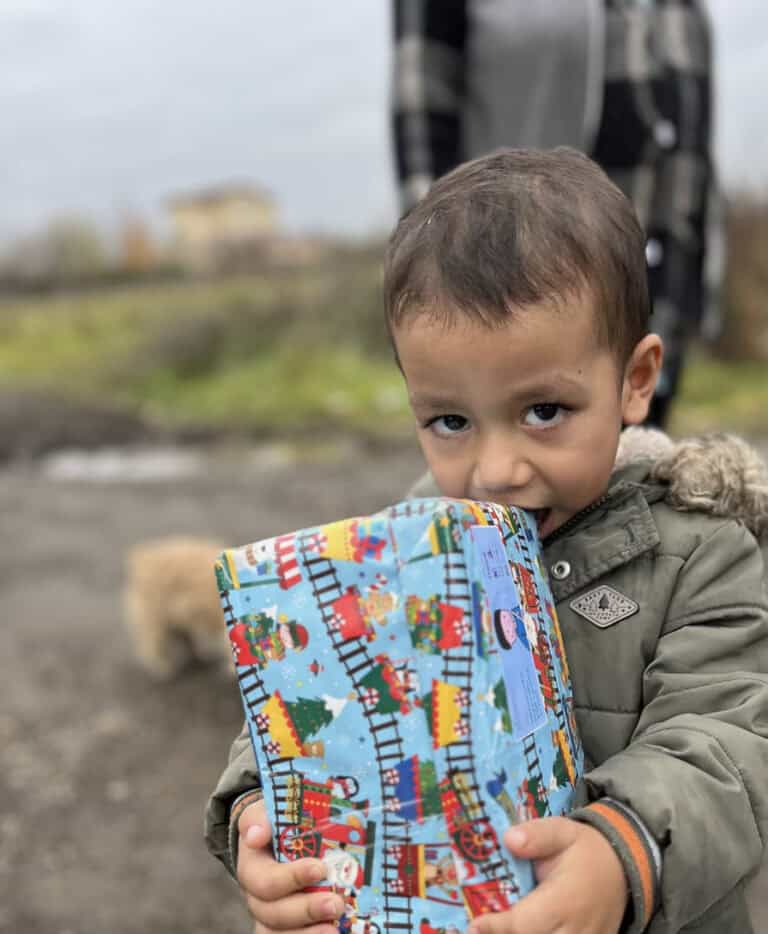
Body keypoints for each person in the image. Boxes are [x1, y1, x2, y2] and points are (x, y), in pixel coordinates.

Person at [205, 149, 768, 933]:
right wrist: (260, 811)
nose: (496, 471)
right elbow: (306, 693)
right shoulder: (401, 556)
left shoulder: (704, 555)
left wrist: (622, 856)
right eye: (451, 422)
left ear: (634, 380)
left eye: (543, 410)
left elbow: (733, 747)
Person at [391, 0, 720, 428]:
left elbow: (688, 152)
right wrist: (436, 284)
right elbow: (422, 116)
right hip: (509, 298)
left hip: (652, 296)